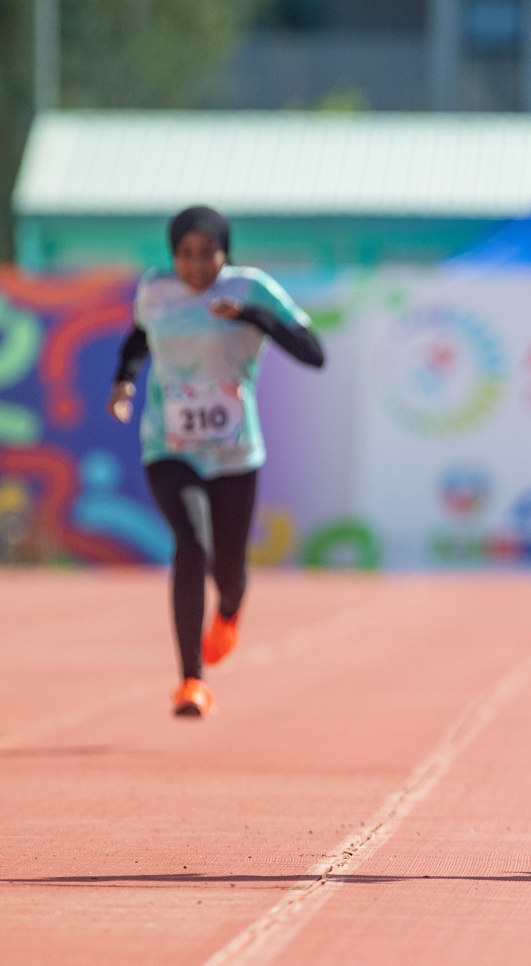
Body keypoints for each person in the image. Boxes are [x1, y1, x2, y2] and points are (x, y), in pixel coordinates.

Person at [109, 206, 324, 717]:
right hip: (170, 445)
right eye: (185, 254)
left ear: (227, 253)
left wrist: (249, 315)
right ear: (172, 255)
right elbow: (140, 337)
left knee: (228, 569)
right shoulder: (155, 289)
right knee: (191, 544)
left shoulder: (252, 288)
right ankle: (190, 682)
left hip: (234, 452)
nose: (196, 265)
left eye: (208, 254)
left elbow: (314, 352)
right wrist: (124, 379)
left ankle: (228, 612)